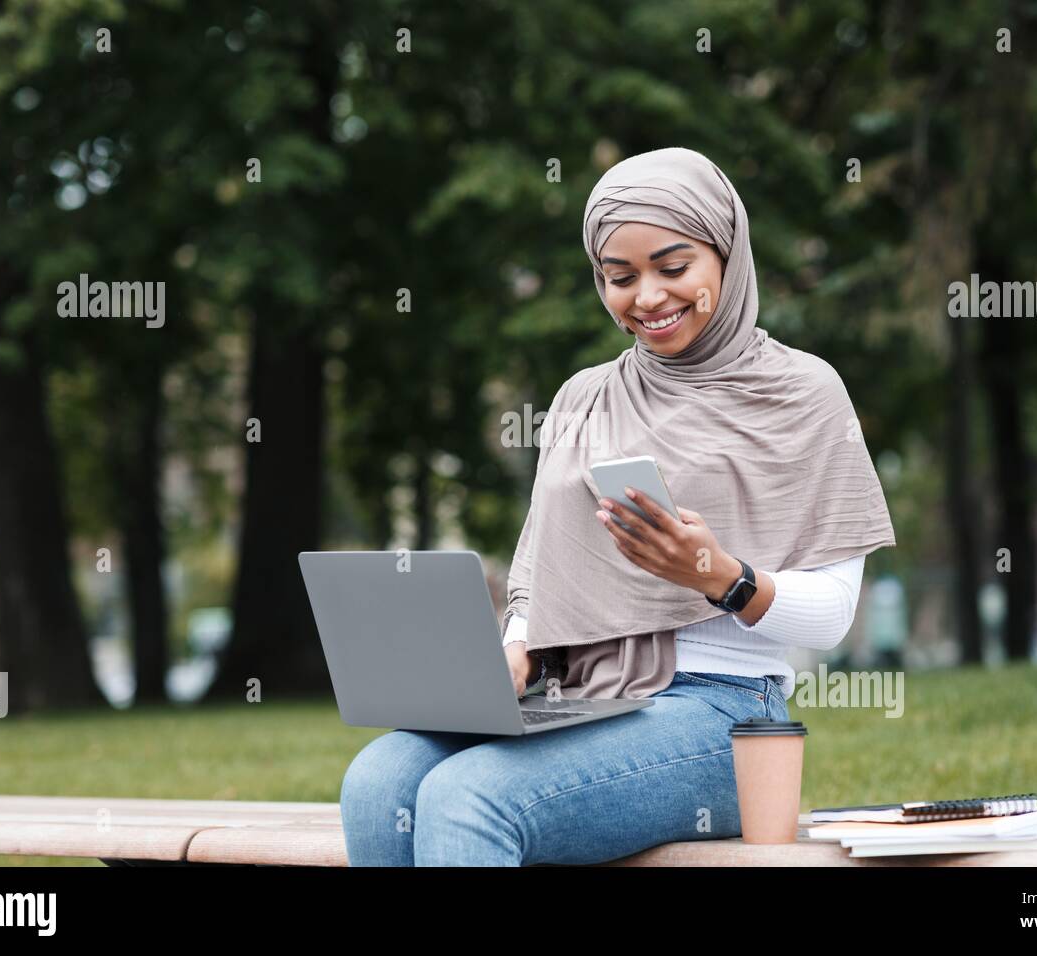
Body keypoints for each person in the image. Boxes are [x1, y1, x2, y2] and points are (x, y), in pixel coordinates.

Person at [339, 146, 895, 866]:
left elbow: (831, 616)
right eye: (619, 277)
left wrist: (721, 577)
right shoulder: (583, 396)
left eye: (673, 267)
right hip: (580, 697)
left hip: (722, 715)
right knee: (378, 783)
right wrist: (513, 650)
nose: (648, 297)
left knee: (469, 796)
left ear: (727, 255)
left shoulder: (802, 392)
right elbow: (540, 577)